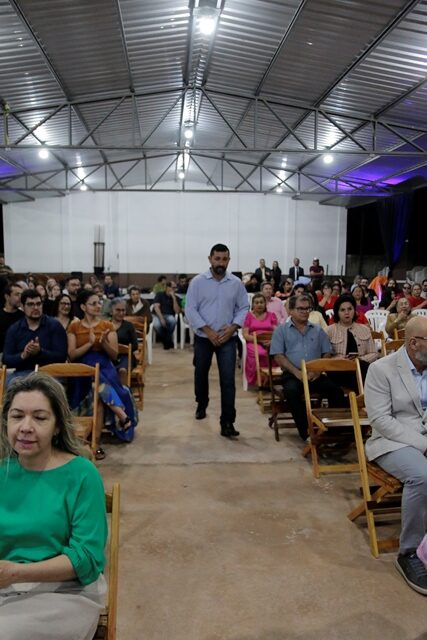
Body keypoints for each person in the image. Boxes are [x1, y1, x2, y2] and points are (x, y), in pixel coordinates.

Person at [0, 372, 107, 640]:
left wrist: (15, 572)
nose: (25, 427)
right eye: (17, 416)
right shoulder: (3, 471)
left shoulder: (82, 474)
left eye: (39, 417)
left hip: (65, 593)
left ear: (57, 425)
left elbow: (87, 557)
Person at [364, 316, 427, 595]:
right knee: (423, 476)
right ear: (414, 343)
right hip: (392, 441)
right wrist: (422, 445)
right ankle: (409, 553)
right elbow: (381, 421)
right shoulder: (382, 369)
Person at [186, 243, 249, 438]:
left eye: (224, 259)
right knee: (201, 373)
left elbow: (243, 308)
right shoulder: (197, 282)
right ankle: (202, 402)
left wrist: (232, 328)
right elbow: (190, 309)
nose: (220, 263)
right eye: (217, 259)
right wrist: (207, 330)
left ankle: (227, 421)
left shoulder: (236, 283)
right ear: (210, 259)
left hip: (227, 339)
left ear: (229, 260)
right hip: (204, 338)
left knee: (228, 380)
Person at [68, 290, 138, 451]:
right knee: (93, 375)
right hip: (82, 368)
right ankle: (121, 414)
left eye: (99, 302)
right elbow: (72, 355)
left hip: (105, 366)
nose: (98, 306)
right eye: (93, 303)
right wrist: (89, 344)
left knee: (97, 378)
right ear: (83, 307)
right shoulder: (74, 327)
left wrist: (103, 342)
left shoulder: (107, 326)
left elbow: (113, 355)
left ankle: (95, 441)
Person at [269, 294, 345, 441]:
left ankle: (333, 431)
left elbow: (327, 352)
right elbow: (278, 356)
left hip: (315, 374)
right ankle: (308, 432)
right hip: (293, 374)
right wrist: (297, 372)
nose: (304, 312)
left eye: (307, 309)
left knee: (336, 391)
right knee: (291, 392)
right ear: (290, 310)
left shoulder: (317, 330)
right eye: (300, 309)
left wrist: (318, 370)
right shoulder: (281, 330)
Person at [3, 289, 67, 377]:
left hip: (49, 374)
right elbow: (6, 359)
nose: (36, 308)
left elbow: (61, 357)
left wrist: (40, 352)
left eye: (38, 304)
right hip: (21, 375)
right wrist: (23, 355)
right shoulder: (14, 329)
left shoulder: (54, 326)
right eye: (30, 304)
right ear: (22, 306)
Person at [327, 294, 378, 384]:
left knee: (366, 368)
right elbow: (325, 357)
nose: (347, 312)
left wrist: (360, 359)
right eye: (342, 310)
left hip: (360, 366)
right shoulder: (329, 330)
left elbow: (373, 353)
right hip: (339, 369)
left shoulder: (364, 329)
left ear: (354, 310)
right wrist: (339, 358)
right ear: (337, 312)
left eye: (350, 309)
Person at [242, 293, 278, 386]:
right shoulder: (248, 316)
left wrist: (271, 341)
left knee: (276, 352)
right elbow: (245, 334)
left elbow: (277, 332)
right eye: (256, 302)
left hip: (270, 341)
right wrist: (258, 340)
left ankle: (272, 379)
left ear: (265, 304)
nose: (259, 305)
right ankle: (259, 380)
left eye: (261, 302)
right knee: (261, 353)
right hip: (253, 341)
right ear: (252, 305)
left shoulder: (271, 315)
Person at [110, 298, 138, 385]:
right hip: (109, 356)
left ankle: (123, 394)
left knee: (122, 370)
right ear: (111, 311)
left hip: (126, 356)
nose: (121, 313)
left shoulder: (129, 326)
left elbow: (135, 345)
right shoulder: (105, 325)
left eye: (123, 310)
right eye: (118, 310)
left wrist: (122, 348)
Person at [152, 281, 181, 350]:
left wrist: (174, 298)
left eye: (175, 288)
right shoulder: (160, 295)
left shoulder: (176, 298)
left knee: (173, 321)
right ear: (168, 287)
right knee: (157, 324)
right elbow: (156, 307)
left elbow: (177, 311)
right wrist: (161, 318)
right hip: (157, 315)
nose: (174, 289)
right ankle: (168, 341)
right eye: (173, 288)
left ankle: (166, 340)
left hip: (169, 315)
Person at [0, 283, 23, 355]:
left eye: (21, 295)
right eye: (17, 294)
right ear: (7, 297)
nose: (20, 297)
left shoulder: (23, 316)